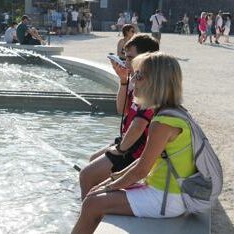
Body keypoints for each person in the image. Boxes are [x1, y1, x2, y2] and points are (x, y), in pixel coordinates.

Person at [72, 52, 197, 234]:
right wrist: (112, 180)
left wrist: (109, 186)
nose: (133, 80)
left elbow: (141, 170)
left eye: (138, 75)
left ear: (155, 82)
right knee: (95, 196)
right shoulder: (173, 112)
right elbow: (145, 160)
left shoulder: (162, 123)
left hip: (166, 198)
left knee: (92, 203)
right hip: (168, 191)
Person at [79, 34, 159, 200]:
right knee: (92, 160)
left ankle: (89, 212)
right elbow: (120, 108)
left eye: (130, 57)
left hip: (135, 151)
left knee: (86, 175)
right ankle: (93, 206)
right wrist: (123, 81)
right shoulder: (137, 80)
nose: (125, 61)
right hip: (128, 143)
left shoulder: (151, 87)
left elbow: (138, 126)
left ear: (145, 58)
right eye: (125, 56)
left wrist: (120, 150)